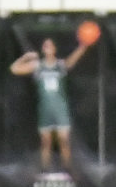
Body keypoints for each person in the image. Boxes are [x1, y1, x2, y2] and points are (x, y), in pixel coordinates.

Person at [10, 34, 91, 171]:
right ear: (42, 49)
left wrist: (83, 46)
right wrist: (26, 57)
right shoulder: (37, 65)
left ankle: (67, 170)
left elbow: (73, 59)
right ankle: (45, 171)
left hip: (60, 109)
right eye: (45, 45)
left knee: (64, 141)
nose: (47, 47)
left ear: (54, 49)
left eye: (50, 45)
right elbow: (14, 69)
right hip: (45, 109)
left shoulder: (60, 65)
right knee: (45, 142)